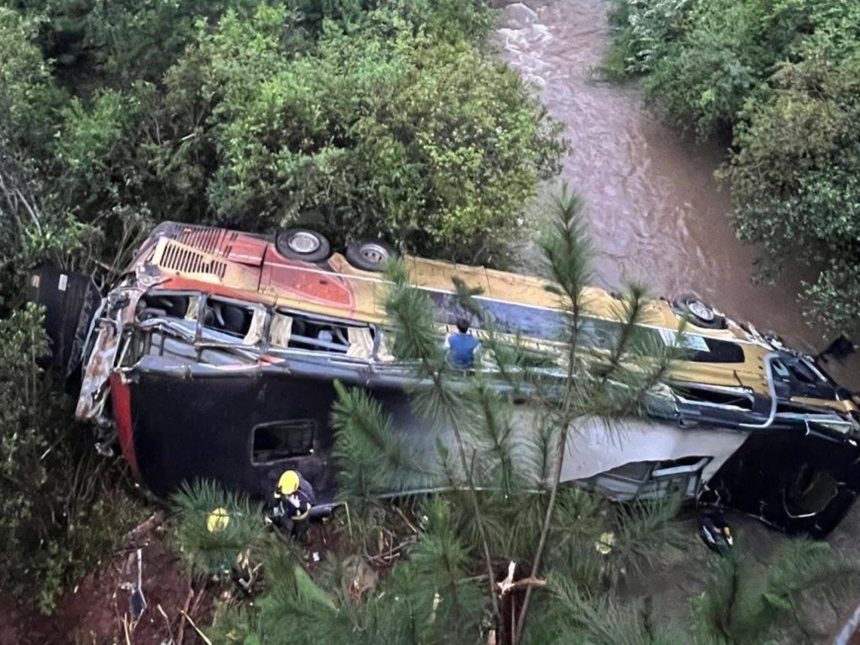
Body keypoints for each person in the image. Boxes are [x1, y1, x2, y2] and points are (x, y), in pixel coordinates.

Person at [270, 469, 315, 543]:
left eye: (289, 494)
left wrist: (297, 507)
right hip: (288, 509)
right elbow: (276, 501)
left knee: (300, 528)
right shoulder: (282, 485)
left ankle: (300, 540)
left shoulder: (305, 492)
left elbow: (307, 509)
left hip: (303, 513)